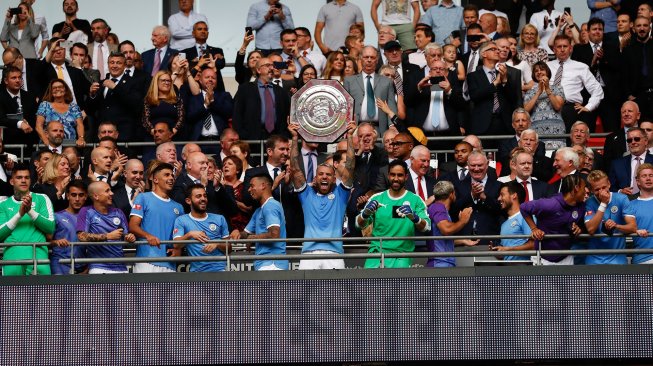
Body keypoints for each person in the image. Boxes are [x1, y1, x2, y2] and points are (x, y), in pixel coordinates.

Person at [288, 120, 355, 270]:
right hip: (308, 255)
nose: (324, 177)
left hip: (334, 254)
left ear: (334, 178)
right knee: (305, 294)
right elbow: (295, 168)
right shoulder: (306, 194)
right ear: (315, 177)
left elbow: (350, 166)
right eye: (321, 174)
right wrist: (294, 138)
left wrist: (350, 136)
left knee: (335, 294)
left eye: (328, 175)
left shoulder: (341, 195)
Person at [356, 160, 430, 268]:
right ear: (388, 176)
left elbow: (427, 227)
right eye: (392, 175)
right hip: (376, 255)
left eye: (400, 175)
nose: (395, 179)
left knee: (397, 285)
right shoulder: (376, 198)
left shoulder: (415, 200)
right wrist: (365, 214)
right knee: (369, 285)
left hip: (401, 256)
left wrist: (415, 218)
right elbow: (359, 225)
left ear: (406, 177)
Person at [0, 164, 54, 276]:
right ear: (11, 181)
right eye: (19, 178)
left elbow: (50, 228)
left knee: (42, 293)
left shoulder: (42, 198)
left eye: (27, 177)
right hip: (12, 258)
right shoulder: (3, 204)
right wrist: (19, 214)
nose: (23, 180)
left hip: (38, 258)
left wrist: (30, 211)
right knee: (12, 294)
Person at [129, 162, 184, 273]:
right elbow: (133, 225)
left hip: (170, 263)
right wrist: (148, 236)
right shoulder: (143, 198)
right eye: (166, 175)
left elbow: (179, 236)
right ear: (155, 180)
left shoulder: (179, 207)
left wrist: (178, 250)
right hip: (146, 259)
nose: (171, 178)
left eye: (172, 175)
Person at [521, 174, 585, 265]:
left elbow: (579, 225)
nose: (586, 191)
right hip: (543, 257)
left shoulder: (581, 206)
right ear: (576, 188)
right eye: (584, 187)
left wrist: (578, 229)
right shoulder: (549, 204)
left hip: (565, 256)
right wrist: (534, 229)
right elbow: (523, 208)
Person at [230, 174, 288, 271]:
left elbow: (274, 235)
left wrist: (252, 238)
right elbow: (246, 234)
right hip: (264, 263)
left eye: (252, 186)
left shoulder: (270, 206)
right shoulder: (259, 211)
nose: (249, 190)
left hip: (272, 263)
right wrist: (237, 233)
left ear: (263, 185)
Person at [76, 181, 135, 274]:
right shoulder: (86, 211)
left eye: (110, 190)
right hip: (98, 267)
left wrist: (130, 237)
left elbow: (126, 235)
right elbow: (81, 236)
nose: (112, 193)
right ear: (96, 196)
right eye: (107, 191)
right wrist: (107, 236)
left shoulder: (118, 212)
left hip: (121, 267)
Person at [547, 35, 604, 131]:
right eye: (559, 46)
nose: (562, 49)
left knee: (569, 142)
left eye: (565, 46)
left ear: (570, 48)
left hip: (570, 110)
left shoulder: (581, 67)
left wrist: (589, 107)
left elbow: (597, 90)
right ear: (554, 49)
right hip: (548, 107)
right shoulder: (546, 66)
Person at [87, 52, 144, 142]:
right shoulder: (101, 83)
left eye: (119, 63)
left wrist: (115, 88)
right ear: (108, 64)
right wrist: (92, 95)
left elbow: (136, 105)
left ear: (125, 66)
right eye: (112, 62)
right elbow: (90, 110)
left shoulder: (134, 82)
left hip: (124, 136)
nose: (115, 65)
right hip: (102, 136)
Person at [173, 184, 231, 272]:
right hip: (197, 273)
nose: (203, 199)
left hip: (221, 270)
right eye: (198, 196)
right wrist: (190, 234)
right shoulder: (181, 220)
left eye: (204, 196)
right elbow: (176, 245)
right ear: (188, 201)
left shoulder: (220, 218)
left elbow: (229, 248)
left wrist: (217, 243)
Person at [467, 41, 520, 136]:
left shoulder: (505, 74)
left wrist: (504, 81)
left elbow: (513, 98)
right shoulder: (473, 76)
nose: (497, 52)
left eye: (497, 49)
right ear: (484, 54)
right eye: (493, 49)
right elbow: (475, 96)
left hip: (504, 124)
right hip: (483, 124)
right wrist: (495, 83)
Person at [584, 170, 636, 265]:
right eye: (597, 189)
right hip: (594, 260)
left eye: (604, 187)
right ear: (591, 190)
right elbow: (591, 229)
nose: (601, 192)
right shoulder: (589, 202)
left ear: (609, 184)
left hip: (618, 259)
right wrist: (603, 203)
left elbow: (633, 227)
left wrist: (616, 226)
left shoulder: (621, 199)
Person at [232, 57, 290, 140]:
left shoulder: (281, 91)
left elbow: (286, 115)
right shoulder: (245, 89)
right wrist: (243, 135)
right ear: (258, 70)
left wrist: (284, 135)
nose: (271, 68)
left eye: (272, 66)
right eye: (267, 65)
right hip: (251, 138)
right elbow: (237, 115)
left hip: (276, 139)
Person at [345, 46, 397, 136]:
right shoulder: (349, 81)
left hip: (380, 129)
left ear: (377, 60)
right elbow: (345, 106)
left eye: (372, 57)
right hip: (356, 128)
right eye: (366, 57)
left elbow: (391, 105)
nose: (369, 60)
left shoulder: (386, 81)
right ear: (361, 59)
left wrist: (392, 126)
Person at [426, 180, 474, 267]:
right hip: (439, 263)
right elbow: (446, 230)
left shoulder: (441, 210)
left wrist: (462, 241)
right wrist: (462, 221)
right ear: (451, 194)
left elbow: (440, 239)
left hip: (443, 262)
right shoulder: (438, 207)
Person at [49, 180, 87, 275]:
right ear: (67, 196)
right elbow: (45, 241)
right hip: (60, 264)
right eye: (73, 195)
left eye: (81, 195)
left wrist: (87, 269)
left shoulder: (90, 218)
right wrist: (56, 242)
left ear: (86, 196)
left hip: (83, 267)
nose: (77, 199)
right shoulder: (56, 216)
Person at [523, 61, 565, 145]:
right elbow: (526, 110)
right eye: (536, 71)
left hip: (556, 130)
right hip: (536, 130)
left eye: (542, 69)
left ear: (547, 72)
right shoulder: (529, 92)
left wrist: (548, 89)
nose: (539, 72)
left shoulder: (557, 88)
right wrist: (538, 92)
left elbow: (557, 106)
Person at [491, 181, 532, 261]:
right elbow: (506, 253)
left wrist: (508, 249)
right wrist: (498, 253)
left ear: (514, 195)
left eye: (502, 195)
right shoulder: (504, 224)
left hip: (523, 269)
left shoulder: (525, 217)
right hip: (507, 270)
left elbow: (534, 245)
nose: (499, 198)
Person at [36, 79, 84, 147]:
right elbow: (38, 125)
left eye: (60, 87)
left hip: (70, 144)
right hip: (50, 143)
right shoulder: (45, 105)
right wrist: (45, 141)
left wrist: (81, 138)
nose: (57, 89)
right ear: (51, 91)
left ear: (65, 89)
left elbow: (80, 124)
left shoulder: (74, 107)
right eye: (54, 88)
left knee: (71, 156)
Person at [0, 65, 38, 147]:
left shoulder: (30, 96)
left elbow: (35, 117)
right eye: (14, 78)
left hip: (30, 143)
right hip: (9, 144)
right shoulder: (1, 97)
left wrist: (28, 123)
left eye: (19, 77)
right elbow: (1, 119)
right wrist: (20, 123)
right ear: (6, 81)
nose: (18, 80)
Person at [608, 127, 653, 194]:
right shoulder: (617, 164)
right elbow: (610, 188)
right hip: (625, 200)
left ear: (645, 141)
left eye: (637, 139)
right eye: (629, 140)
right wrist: (620, 191)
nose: (633, 142)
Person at [142, 70, 184, 138]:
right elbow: (145, 120)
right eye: (163, 80)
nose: (167, 83)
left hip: (173, 137)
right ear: (156, 82)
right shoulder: (148, 100)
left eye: (169, 81)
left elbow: (181, 118)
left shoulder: (177, 100)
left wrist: (172, 132)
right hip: (153, 138)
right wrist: (155, 133)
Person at [603, 101, 642, 171]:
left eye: (630, 111)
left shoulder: (647, 133)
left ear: (638, 115)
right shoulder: (611, 138)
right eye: (623, 112)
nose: (626, 114)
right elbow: (607, 165)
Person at [631, 163, 653, 264]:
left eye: (651, 175)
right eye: (644, 176)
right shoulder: (630, 205)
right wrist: (636, 230)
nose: (648, 179)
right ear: (638, 181)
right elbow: (622, 228)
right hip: (642, 258)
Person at [222, 155, 251, 231]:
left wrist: (232, 201)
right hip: (224, 226)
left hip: (242, 226)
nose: (226, 166)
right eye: (224, 164)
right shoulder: (218, 187)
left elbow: (249, 208)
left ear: (237, 170)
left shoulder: (245, 186)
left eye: (230, 164)